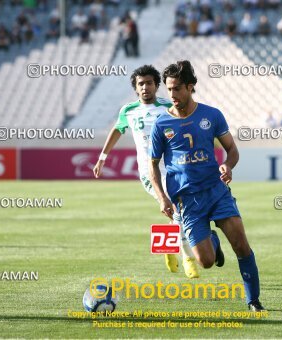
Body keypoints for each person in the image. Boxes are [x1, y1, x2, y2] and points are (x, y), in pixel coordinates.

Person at [149, 60, 265, 312]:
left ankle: (253, 301)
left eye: (177, 89)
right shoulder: (161, 124)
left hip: (216, 191)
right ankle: (212, 240)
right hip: (187, 201)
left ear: (190, 87)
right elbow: (153, 166)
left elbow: (232, 150)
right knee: (206, 262)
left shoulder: (212, 115)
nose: (172, 95)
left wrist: (228, 165)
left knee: (241, 246)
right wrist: (161, 198)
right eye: (168, 90)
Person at [93, 65, 200, 279]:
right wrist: (102, 157)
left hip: (174, 169)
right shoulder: (128, 111)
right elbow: (117, 129)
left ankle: (168, 246)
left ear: (157, 85)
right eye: (140, 84)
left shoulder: (169, 107)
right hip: (149, 173)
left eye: (149, 83)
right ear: (135, 88)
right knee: (179, 212)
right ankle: (189, 259)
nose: (145, 87)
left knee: (180, 212)